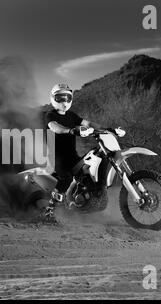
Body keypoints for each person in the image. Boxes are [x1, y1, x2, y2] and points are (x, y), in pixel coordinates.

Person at [42, 84, 108, 223]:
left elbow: (88, 123)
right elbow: (55, 127)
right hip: (56, 158)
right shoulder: (50, 115)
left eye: (67, 97)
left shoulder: (71, 115)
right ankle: (49, 210)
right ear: (53, 98)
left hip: (72, 156)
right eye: (59, 98)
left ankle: (83, 201)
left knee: (90, 166)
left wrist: (106, 129)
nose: (64, 102)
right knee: (66, 177)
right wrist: (70, 130)